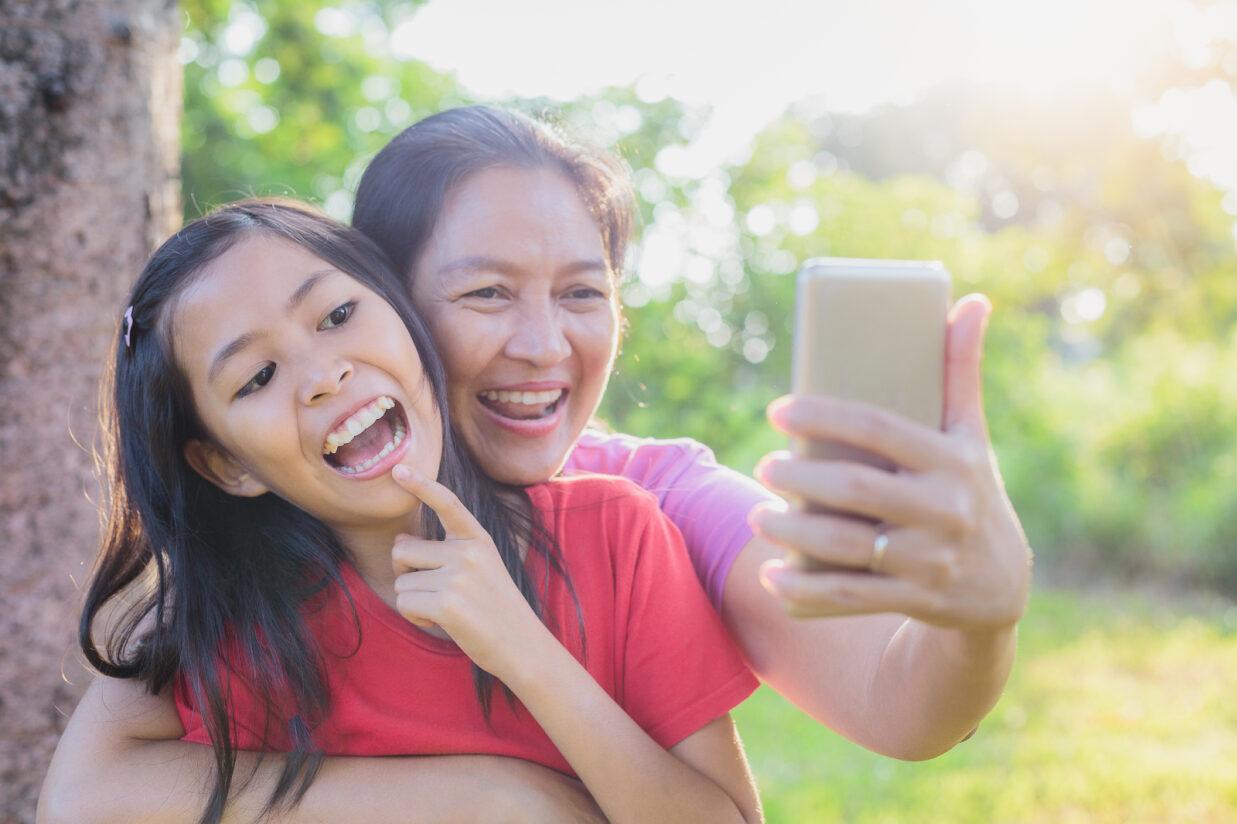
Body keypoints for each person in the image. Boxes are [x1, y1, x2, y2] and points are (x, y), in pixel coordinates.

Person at [42, 106, 1032, 820]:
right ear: (400, 292)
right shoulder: (244, 585)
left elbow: (902, 706)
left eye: (580, 292)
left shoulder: (638, 509)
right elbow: (88, 795)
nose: (543, 346)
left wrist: (982, 610)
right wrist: (488, 796)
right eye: (485, 294)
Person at [39, 200, 762, 824]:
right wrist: (486, 799)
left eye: (339, 315)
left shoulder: (615, 535)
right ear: (226, 464)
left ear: (405, 313)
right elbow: (79, 803)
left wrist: (527, 652)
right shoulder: (230, 633)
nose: (325, 376)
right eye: (257, 376)